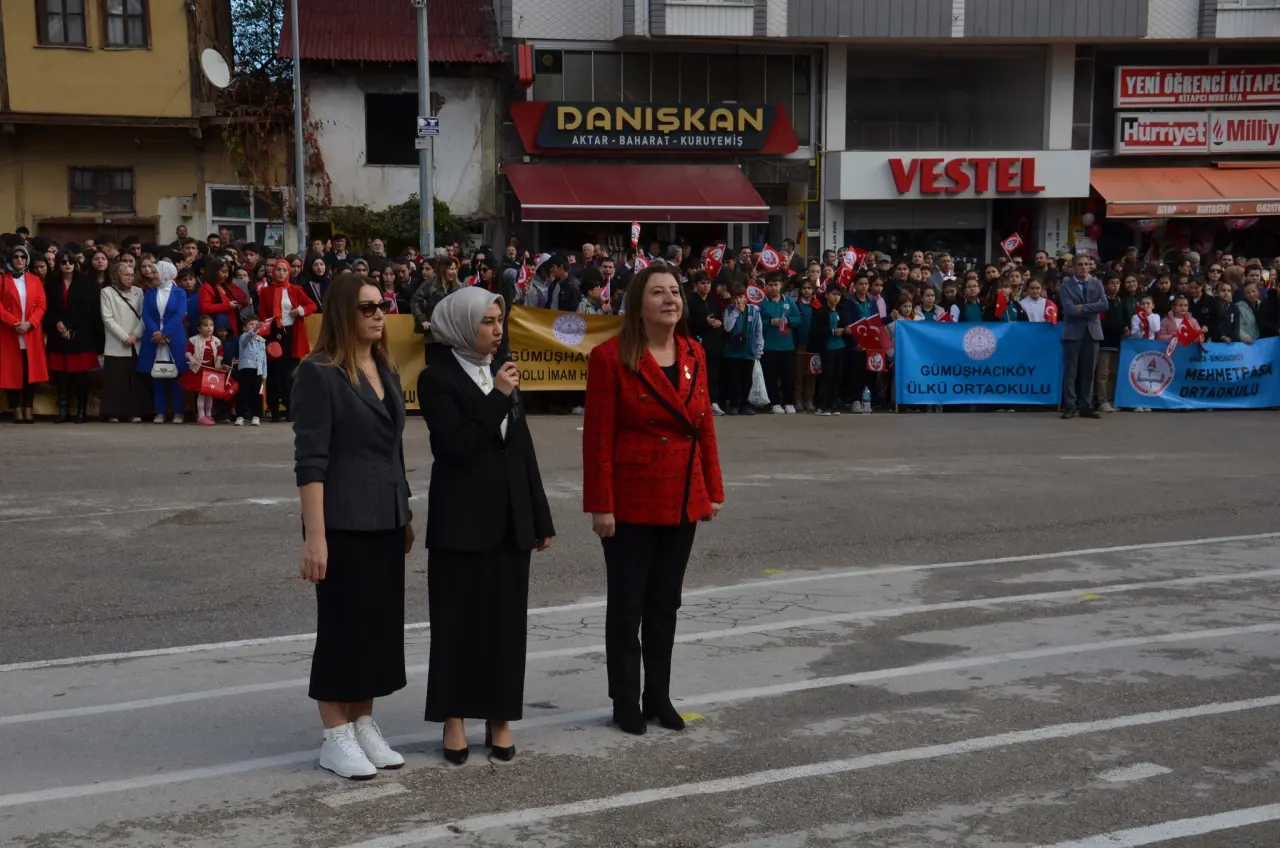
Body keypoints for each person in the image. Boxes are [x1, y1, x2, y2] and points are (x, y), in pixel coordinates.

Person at [583, 265, 724, 736]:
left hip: (683, 494)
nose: (670, 300)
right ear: (638, 305)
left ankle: (657, 695)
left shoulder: (694, 353)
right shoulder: (609, 358)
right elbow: (598, 439)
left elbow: (704, 424)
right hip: (631, 500)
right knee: (627, 607)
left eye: (675, 292)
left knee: (666, 604)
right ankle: (625, 698)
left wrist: (713, 489)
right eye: (658, 292)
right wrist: (601, 505)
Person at [418, 286, 555, 764]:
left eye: (501, 321)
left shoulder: (502, 374)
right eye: (488, 322)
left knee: (505, 627)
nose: (498, 331)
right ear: (462, 324)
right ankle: (453, 717)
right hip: (461, 523)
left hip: (510, 522)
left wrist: (540, 515)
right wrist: (497, 395)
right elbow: (455, 446)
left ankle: (500, 716)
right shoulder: (435, 379)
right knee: (457, 624)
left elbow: (521, 449)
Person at [292, 273, 410, 781]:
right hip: (341, 524)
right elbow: (310, 463)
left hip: (385, 518)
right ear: (343, 313)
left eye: (382, 304)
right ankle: (334, 734)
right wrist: (315, 538)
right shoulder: (318, 374)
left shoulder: (383, 366)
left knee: (378, 630)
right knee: (342, 630)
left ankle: (363, 721)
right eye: (367, 307)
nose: (379, 313)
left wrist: (403, 511)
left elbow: (393, 449)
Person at [44, 249, 103, 422]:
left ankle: (81, 412)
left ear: (76, 264)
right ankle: (62, 412)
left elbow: (87, 310)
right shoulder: (51, 284)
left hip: (80, 335)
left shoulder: (87, 283)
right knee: (61, 376)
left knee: (80, 377)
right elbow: (48, 309)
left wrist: (69, 326)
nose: (67, 265)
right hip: (58, 335)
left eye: (70, 262)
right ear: (59, 265)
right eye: (63, 262)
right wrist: (59, 325)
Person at [260, 258, 318, 422]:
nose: (281, 273)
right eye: (278, 270)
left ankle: (291, 407)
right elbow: (263, 313)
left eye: (284, 270)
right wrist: (270, 329)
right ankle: (274, 409)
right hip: (273, 334)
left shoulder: (296, 289)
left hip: (292, 334)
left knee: (290, 374)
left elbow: (312, 305)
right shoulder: (266, 291)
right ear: (273, 272)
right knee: (274, 373)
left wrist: (299, 310)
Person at [1, 245, 48, 423]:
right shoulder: (2, 280)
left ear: (27, 259)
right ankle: (16, 409)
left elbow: (41, 305)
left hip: (30, 332)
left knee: (30, 371)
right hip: (10, 333)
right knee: (13, 372)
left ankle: (28, 408)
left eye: (22, 256)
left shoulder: (34, 280)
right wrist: (14, 323)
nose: (19, 260)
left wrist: (30, 323)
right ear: (10, 259)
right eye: (15, 257)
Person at [99, 259, 149, 423]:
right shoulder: (107, 292)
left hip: (136, 342)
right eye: (125, 274)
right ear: (117, 275)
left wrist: (135, 334)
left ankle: (134, 412)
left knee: (134, 380)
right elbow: (108, 318)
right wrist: (124, 336)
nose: (129, 277)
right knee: (116, 380)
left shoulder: (139, 292)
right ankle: (113, 412)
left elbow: (144, 316)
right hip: (117, 343)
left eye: (131, 274)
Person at [139, 260, 189, 424]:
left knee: (177, 376)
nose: (151, 275)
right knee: (157, 375)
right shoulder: (150, 293)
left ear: (165, 274)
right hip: (154, 339)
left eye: (155, 272)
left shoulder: (179, 292)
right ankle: (160, 411)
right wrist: (156, 333)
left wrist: (165, 333)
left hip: (174, 338)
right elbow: (146, 314)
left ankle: (178, 412)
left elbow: (179, 316)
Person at [1060, 255, 1108, 420]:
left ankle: (1086, 406)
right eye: (1080, 264)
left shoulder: (1097, 283)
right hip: (1073, 333)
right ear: (1073, 267)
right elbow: (1069, 309)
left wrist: (1083, 307)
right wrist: (1091, 308)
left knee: (1089, 372)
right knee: (1071, 372)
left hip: (1092, 332)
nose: (1084, 267)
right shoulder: (1066, 286)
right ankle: (1070, 406)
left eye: (1086, 264)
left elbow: (1104, 305)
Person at [721, 283, 763, 415]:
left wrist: (759, 349)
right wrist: (736, 312)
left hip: (748, 350)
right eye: (736, 297)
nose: (739, 300)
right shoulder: (729, 310)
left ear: (746, 297)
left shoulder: (754, 310)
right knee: (734, 379)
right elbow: (727, 327)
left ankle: (745, 404)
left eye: (741, 297)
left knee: (747, 379)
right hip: (733, 351)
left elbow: (758, 331)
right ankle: (734, 404)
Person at [809, 283, 848, 416]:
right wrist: (832, 331)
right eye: (833, 294)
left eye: (838, 295)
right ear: (826, 295)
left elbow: (846, 326)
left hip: (840, 347)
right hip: (827, 348)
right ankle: (822, 405)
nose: (836, 297)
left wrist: (846, 330)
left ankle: (832, 403)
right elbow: (816, 330)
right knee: (827, 376)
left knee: (837, 376)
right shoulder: (821, 311)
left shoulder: (841, 311)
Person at [179, 315, 222, 425]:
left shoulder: (216, 341)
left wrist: (218, 362)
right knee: (202, 394)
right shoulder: (193, 340)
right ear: (199, 328)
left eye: (211, 325)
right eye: (205, 325)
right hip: (199, 370)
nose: (209, 328)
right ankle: (201, 415)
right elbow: (187, 351)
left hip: (211, 371)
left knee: (210, 393)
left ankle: (209, 414)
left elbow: (220, 353)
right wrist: (191, 358)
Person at [234, 310, 268, 426]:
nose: (254, 326)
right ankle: (240, 416)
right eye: (251, 324)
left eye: (256, 324)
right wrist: (253, 331)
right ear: (245, 328)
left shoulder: (262, 341)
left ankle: (256, 415)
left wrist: (264, 373)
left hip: (257, 370)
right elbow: (248, 337)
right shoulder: (243, 338)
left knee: (256, 394)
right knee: (243, 393)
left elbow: (263, 358)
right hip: (245, 369)